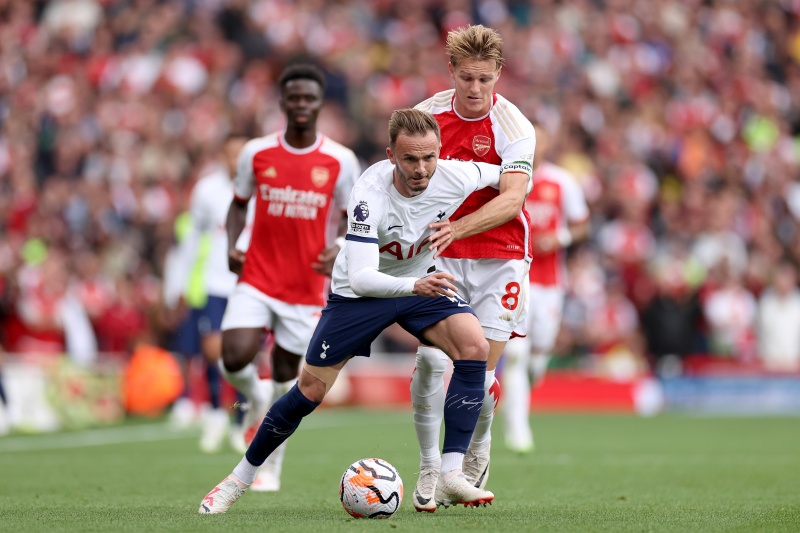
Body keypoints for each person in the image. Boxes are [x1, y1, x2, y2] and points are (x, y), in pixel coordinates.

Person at [199, 108, 528, 515]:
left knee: (474, 346)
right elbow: (362, 279)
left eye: (429, 157)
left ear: (440, 153)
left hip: (418, 282)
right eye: (410, 159)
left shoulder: (457, 174)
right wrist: (415, 285)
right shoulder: (369, 191)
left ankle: (451, 472)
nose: (421, 168)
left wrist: (518, 179)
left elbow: (507, 177)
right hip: (361, 296)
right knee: (310, 391)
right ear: (391, 155)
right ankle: (238, 479)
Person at [217, 63, 361, 492]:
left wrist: (340, 248)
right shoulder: (257, 152)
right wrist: (231, 243)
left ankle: (272, 468)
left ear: (320, 104)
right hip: (257, 275)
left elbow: (356, 217)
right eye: (293, 97)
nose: (301, 105)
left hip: (303, 287)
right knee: (234, 357)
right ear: (282, 102)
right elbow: (238, 203)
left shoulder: (340, 160)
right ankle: (252, 395)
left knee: (286, 378)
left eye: (309, 98)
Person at [410, 24, 535, 508]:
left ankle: (476, 444)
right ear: (452, 73)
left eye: (485, 78)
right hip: (440, 256)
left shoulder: (515, 127)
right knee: (428, 362)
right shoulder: (426, 117)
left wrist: (458, 228)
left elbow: (512, 201)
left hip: (501, 258)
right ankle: (429, 470)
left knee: (477, 375)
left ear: (499, 73)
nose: (476, 89)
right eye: (467, 78)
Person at [500, 125, 590, 454]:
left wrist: (560, 238)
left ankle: (526, 387)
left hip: (550, 283)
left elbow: (582, 225)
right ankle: (518, 430)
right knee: (516, 355)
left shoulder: (562, 181)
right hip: (515, 276)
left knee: (538, 356)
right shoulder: (507, 177)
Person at [163, 133, 252, 453]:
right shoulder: (207, 190)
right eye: (230, 154)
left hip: (247, 284)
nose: (235, 160)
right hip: (214, 284)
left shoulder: (261, 189)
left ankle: (240, 420)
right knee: (213, 352)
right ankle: (215, 411)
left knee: (242, 355)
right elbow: (191, 240)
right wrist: (178, 285)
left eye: (240, 154)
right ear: (222, 156)